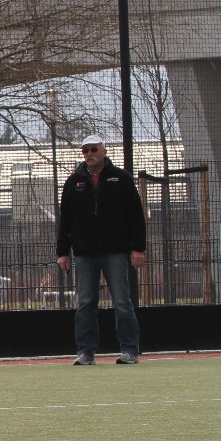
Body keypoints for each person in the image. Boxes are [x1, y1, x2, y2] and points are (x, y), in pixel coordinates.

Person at [56, 135, 145, 365]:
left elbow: (136, 215)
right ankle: (85, 352)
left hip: (116, 251)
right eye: (85, 150)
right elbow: (65, 219)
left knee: (122, 302)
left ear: (104, 151)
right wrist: (62, 252)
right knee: (85, 302)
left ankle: (130, 350)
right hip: (85, 253)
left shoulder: (121, 178)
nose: (89, 154)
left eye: (93, 149)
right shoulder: (73, 182)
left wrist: (138, 248)